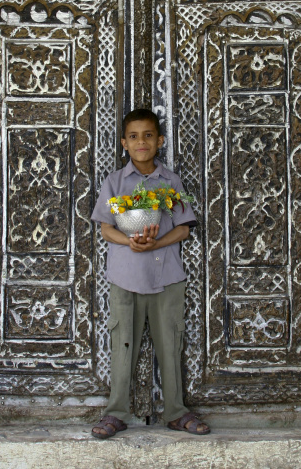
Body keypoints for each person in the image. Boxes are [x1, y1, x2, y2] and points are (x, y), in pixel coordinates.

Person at [90, 108, 210, 439]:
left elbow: (184, 230)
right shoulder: (116, 183)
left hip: (166, 277)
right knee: (122, 344)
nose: (141, 142)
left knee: (169, 344)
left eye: (147, 136)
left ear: (159, 141)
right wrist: (131, 242)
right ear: (124, 144)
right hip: (125, 276)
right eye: (133, 136)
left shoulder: (171, 184)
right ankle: (116, 412)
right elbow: (106, 229)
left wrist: (154, 244)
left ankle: (175, 411)